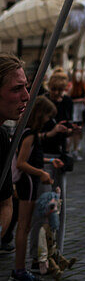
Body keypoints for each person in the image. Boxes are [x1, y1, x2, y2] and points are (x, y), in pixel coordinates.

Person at [13, 96, 61, 281]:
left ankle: (20, 268)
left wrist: (48, 161)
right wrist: (41, 173)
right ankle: (19, 269)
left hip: (31, 181)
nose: (49, 120)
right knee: (24, 227)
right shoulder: (30, 134)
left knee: (24, 227)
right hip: (30, 183)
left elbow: (31, 158)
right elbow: (22, 163)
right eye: (48, 116)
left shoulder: (27, 132)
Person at [0, 55, 29, 241]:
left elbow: (5, 204)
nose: (26, 96)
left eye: (26, 86)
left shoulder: (2, 138)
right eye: (17, 89)